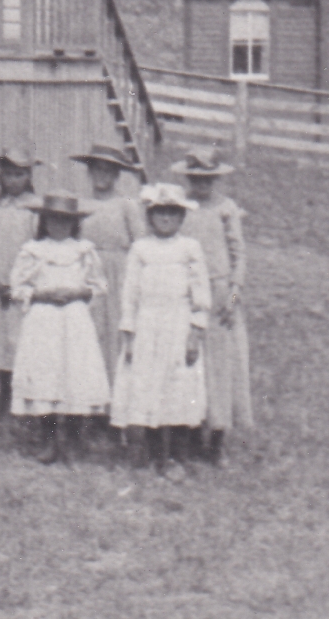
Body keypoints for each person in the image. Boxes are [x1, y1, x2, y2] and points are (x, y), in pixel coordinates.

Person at [111, 183, 211, 481]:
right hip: (146, 326)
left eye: (172, 214)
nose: (165, 219)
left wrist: (195, 333)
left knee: (178, 389)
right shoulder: (141, 249)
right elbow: (129, 295)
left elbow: (200, 294)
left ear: (181, 218)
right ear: (150, 217)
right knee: (145, 388)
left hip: (178, 326)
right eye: (159, 213)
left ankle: (176, 457)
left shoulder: (190, 248)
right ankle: (147, 454)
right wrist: (129, 334)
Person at [7, 193, 114, 465]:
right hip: (43, 320)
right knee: (46, 374)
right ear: (44, 221)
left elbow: (99, 285)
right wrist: (42, 294)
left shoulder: (83, 251)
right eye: (53, 220)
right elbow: (17, 288)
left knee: (74, 373)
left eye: (65, 221)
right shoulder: (32, 250)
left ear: (74, 224)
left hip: (74, 319)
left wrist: (79, 291)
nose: (59, 226)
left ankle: (75, 438)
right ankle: (48, 438)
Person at [177, 148, 254, 462]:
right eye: (195, 179)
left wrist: (233, 298)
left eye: (207, 180)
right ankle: (193, 431)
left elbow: (238, 256)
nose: (201, 186)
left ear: (216, 180)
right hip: (187, 292)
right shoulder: (181, 206)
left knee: (221, 366)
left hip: (221, 291)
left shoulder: (226, 208)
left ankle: (218, 438)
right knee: (191, 364)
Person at [67, 142, 145, 363]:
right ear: (90, 172)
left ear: (117, 175)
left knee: (115, 323)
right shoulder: (81, 203)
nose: (102, 175)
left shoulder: (126, 204)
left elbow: (140, 244)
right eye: (98, 169)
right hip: (88, 270)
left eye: (108, 171)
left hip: (117, 272)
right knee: (90, 324)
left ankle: (116, 385)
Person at [0, 147, 43, 417]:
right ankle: (4, 396)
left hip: (22, 284)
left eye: (19, 175)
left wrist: (18, 283)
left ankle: (25, 396)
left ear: (28, 176)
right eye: (8, 175)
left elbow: (35, 249)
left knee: (21, 340)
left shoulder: (34, 207)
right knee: (1, 341)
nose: (13, 181)